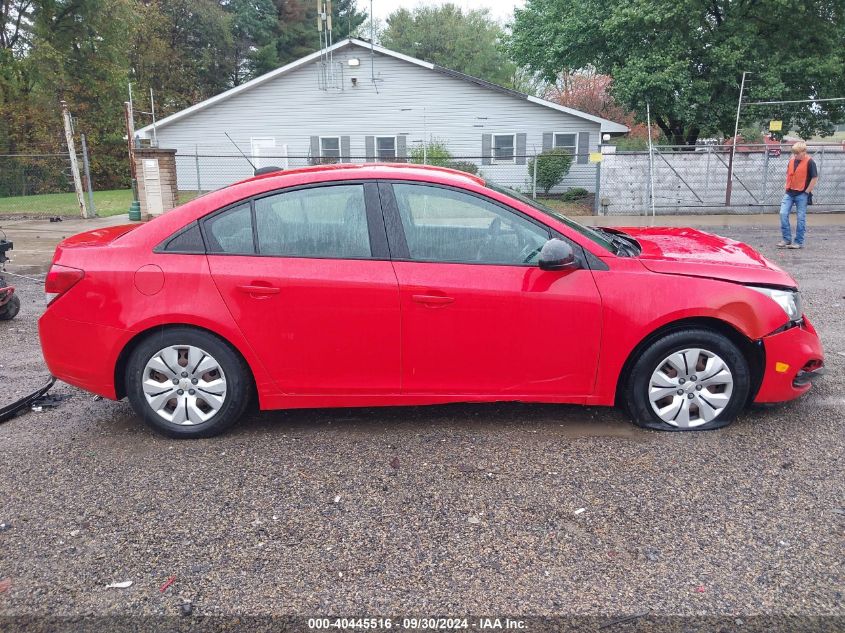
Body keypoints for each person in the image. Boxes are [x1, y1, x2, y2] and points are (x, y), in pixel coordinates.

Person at [778, 141, 818, 249]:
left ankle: (798, 242)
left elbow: (814, 178)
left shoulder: (810, 162)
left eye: (797, 153)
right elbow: (789, 175)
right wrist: (786, 186)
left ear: (804, 152)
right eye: (794, 153)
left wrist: (806, 192)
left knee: (800, 218)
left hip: (802, 194)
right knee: (783, 213)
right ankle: (786, 239)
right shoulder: (791, 161)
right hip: (789, 193)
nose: (795, 155)